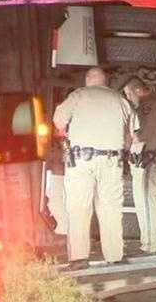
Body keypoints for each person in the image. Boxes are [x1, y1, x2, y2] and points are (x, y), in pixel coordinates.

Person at [53, 67, 136, 270]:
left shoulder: (78, 95)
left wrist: (67, 139)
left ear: (88, 80)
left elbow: (58, 123)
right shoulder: (119, 99)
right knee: (111, 208)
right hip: (111, 160)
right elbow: (132, 133)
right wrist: (120, 150)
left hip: (81, 161)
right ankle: (115, 256)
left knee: (79, 208)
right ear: (105, 81)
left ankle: (79, 258)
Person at [123, 77, 156, 254]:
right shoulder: (155, 104)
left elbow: (144, 135)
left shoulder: (148, 106)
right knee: (151, 201)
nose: (128, 98)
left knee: (146, 202)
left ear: (137, 91)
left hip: (147, 160)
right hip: (153, 158)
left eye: (128, 93)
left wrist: (132, 142)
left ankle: (151, 243)